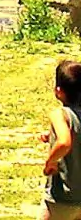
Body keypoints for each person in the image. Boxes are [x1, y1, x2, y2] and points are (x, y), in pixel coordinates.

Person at [37, 60, 81, 220]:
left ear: (58, 91)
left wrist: (51, 161)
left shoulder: (59, 114)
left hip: (62, 198)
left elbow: (64, 142)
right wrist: (51, 136)